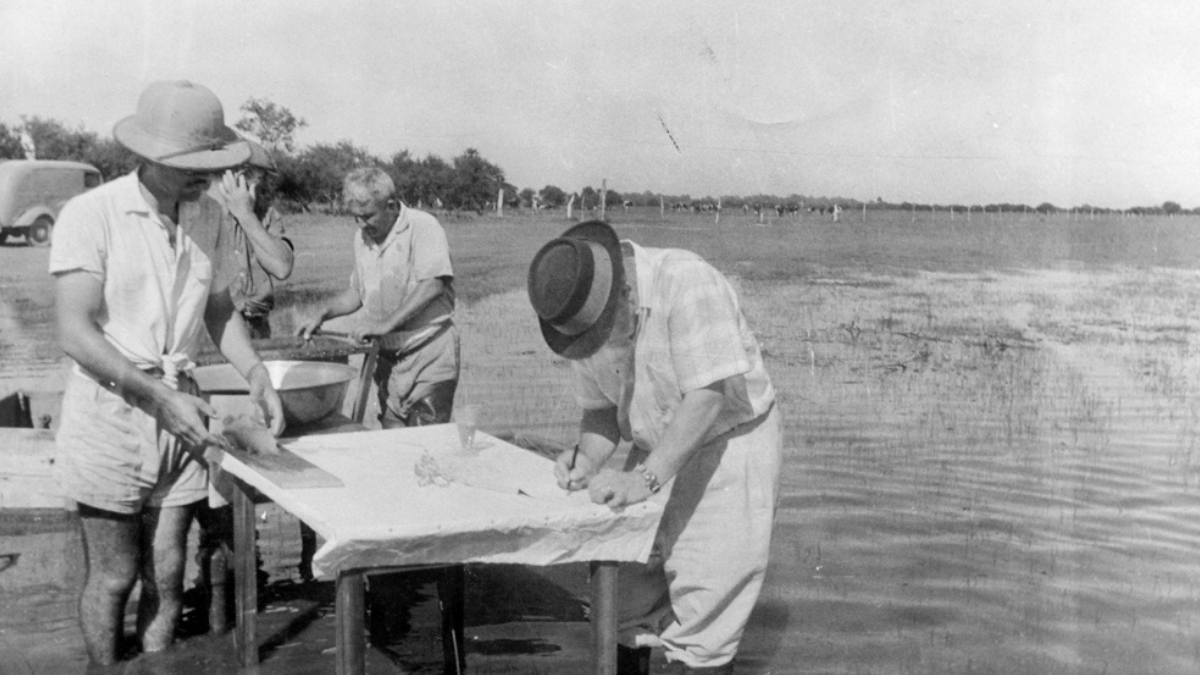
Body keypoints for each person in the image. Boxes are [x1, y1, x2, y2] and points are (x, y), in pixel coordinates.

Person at [50, 80, 285, 665]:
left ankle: (157, 666)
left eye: (213, 163)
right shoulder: (92, 214)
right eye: (193, 166)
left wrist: (256, 372)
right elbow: (75, 332)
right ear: (150, 158)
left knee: (169, 569)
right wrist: (157, 396)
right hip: (112, 408)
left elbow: (219, 308)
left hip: (180, 405)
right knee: (114, 575)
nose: (205, 176)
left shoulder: (207, 218)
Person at [526, 220, 783, 675]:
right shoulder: (581, 314)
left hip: (728, 444)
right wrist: (586, 459)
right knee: (620, 597)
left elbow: (708, 398)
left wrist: (644, 479)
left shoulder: (687, 280)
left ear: (624, 293)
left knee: (707, 609)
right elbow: (603, 413)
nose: (598, 346)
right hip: (653, 446)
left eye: (603, 333)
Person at [295, 166, 464, 672]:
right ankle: (405, 555)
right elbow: (358, 295)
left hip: (430, 352)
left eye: (367, 214)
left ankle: (438, 556)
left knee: (429, 453)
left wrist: (384, 326)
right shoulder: (362, 238)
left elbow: (434, 286)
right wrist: (324, 312)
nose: (362, 224)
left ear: (393, 205)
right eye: (355, 216)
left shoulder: (424, 228)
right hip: (390, 358)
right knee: (395, 455)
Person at [212, 138, 294, 339]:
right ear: (237, 176)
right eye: (258, 181)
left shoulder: (267, 214)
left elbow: (281, 268)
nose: (261, 189)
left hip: (257, 326)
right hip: (217, 328)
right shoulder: (203, 213)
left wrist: (246, 215)